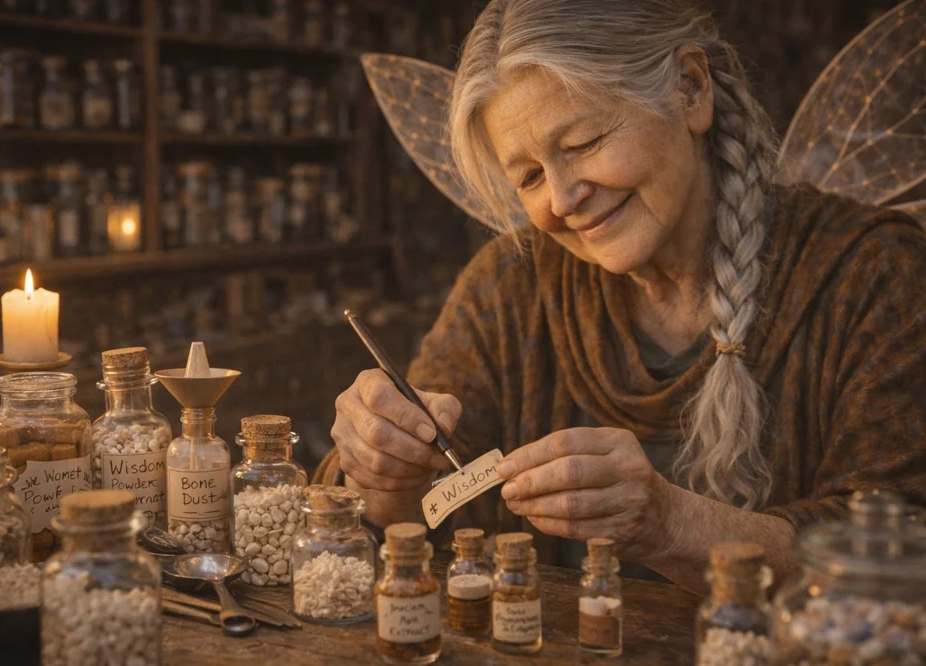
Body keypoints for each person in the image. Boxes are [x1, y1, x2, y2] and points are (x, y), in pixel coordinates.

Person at [316, 0, 926, 594]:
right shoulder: (512, 283)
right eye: (528, 176)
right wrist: (382, 472)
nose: (559, 199)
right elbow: (415, 519)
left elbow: (905, 554)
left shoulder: (875, 273)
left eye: (583, 144)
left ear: (690, 90)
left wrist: (670, 524)